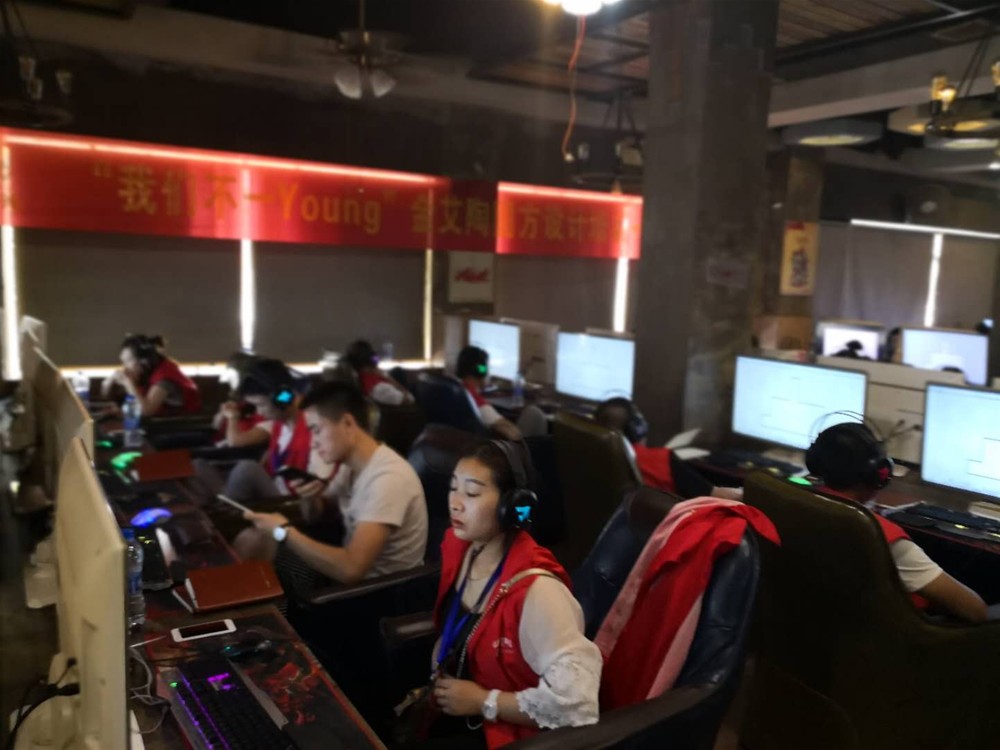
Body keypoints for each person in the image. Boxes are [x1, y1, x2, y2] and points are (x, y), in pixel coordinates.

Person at [427, 440, 600, 748]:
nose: (455, 503)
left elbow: (578, 704)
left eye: (472, 493)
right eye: (453, 488)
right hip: (456, 710)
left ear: (511, 505)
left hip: (511, 736)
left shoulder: (539, 591)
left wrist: (485, 701)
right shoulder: (462, 547)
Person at [241, 380, 428, 592]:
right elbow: (314, 517)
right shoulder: (349, 466)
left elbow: (351, 570)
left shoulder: (388, 478)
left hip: (377, 594)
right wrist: (310, 497)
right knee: (254, 539)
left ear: (348, 424)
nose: (313, 442)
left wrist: (283, 531)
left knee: (260, 547)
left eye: (316, 430)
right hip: (348, 574)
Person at [806, 422, 987, 624]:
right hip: (893, 635)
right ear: (880, 474)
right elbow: (976, 611)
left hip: (819, 626)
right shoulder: (879, 534)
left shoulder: (798, 503)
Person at [594, 397, 742, 501]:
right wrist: (748, 491)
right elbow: (718, 496)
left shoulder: (592, 454)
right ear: (638, 428)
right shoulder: (659, 460)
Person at [101, 333, 201, 416]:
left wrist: (128, 383)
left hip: (183, 427)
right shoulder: (145, 374)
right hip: (162, 425)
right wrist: (111, 380)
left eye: (128, 361)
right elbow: (106, 394)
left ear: (143, 361)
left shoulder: (164, 379)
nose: (125, 367)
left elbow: (146, 411)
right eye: (123, 362)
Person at [456, 346, 521, 441]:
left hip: (456, 445)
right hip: (484, 447)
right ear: (480, 370)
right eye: (487, 368)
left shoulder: (455, 391)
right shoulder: (476, 402)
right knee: (534, 414)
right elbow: (515, 434)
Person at [211, 353, 273, 449]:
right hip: (222, 447)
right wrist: (222, 415)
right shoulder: (243, 404)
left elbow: (235, 442)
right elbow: (216, 427)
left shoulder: (273, 410)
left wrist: (232, 418)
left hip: (238, 453)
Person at [342, 339, 414, 406]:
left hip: (379, 383)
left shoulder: (361, 378)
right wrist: (389, 378)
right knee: (417, 386)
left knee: (398, 371)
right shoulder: (380, 388)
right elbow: (410, 399)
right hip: (400, 405)